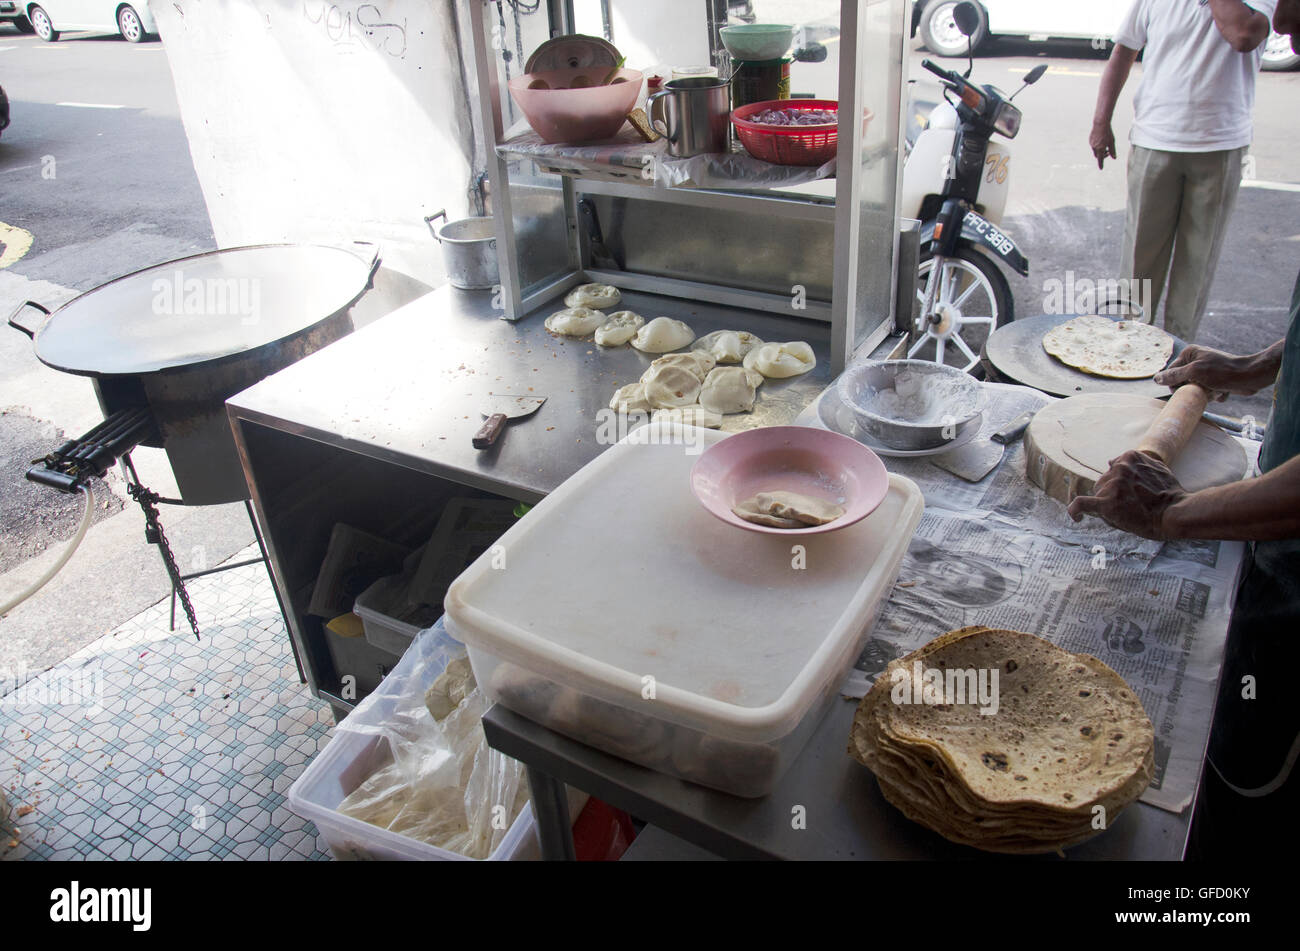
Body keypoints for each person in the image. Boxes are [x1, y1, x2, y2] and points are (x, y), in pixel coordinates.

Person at [1071, 0, 1298, 855]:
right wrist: (1245, 370)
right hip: (1271, 544)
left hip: (1294, 580)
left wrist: (1168, 517)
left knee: (1241, 787)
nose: (1285, 26)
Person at [1091, 0, 1276, 342]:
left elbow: (1242, 34)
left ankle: (1177, 357)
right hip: (1154, 140)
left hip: (1219, 147)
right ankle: (1129, 351)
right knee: (1138, 268)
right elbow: (1123, 50)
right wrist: (1101, 121)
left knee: (1196, 266)